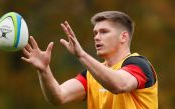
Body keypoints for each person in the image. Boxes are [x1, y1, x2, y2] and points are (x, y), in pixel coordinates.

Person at [21, 11, 158, 109]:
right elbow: (58, 96)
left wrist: (81, 55)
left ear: (123, 37)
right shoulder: (91, 75)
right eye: (95, 33)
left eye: (104, 32)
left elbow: (119, 85)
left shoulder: (138, 64)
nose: (97, 37)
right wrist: (44, 70)